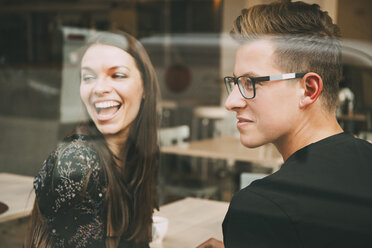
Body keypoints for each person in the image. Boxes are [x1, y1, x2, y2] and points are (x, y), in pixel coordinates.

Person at [198, 1, 372, 248]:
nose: (231, 101)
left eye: (250, 82)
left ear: (308, 89)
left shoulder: (262, 208)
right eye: (235, 82)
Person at [25, 31, 160, 248]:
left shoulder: (139, 156)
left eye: (117, 75)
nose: (99, 88)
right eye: (88, 77)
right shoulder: (78, 163)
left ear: (145, 87)